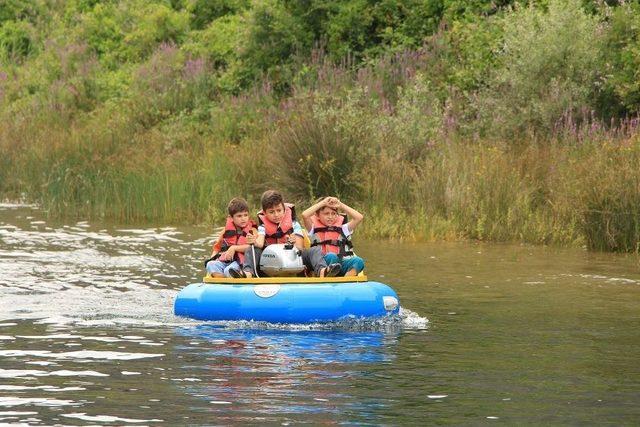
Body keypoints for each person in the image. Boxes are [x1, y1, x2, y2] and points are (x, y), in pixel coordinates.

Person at [229, 190, 341, 278]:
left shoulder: (294, 225)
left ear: (284, 209)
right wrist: (253, 241)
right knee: (251, 249)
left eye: (279, 210)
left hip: (293, 258)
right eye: (271, 212)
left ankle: (322, 271)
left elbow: (299, 248)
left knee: (314, 250)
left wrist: (291, 243)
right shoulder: (262, 227)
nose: (276, 215)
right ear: (264, 213)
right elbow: (260, 243)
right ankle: (247, 273)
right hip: (270, 262)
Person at [301, 196, 365, 276]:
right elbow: (304, 215)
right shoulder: (313, 228)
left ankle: (346, 279)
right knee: (332, 256)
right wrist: (323, 203)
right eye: (326, 214)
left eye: (334, 214)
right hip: (323, 263)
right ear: (317, 215)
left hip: (340, 262)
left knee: (359, 261)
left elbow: (359, 218)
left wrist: (340, 204)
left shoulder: (343, 228)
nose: (330, 217)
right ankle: (329, 275)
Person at [205, 197, 256, 278]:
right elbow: (217, 248)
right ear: (231, 217)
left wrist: (234, 248)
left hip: (241, 262)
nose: (243, 219)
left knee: (229, 270)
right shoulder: (225, 231)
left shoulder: (252, 230)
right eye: (239, 216)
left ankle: (232, 279)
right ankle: (222, 283)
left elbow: (252, 248)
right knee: (210, 264)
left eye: (245, 215)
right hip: (226, 260)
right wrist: (212, 258)